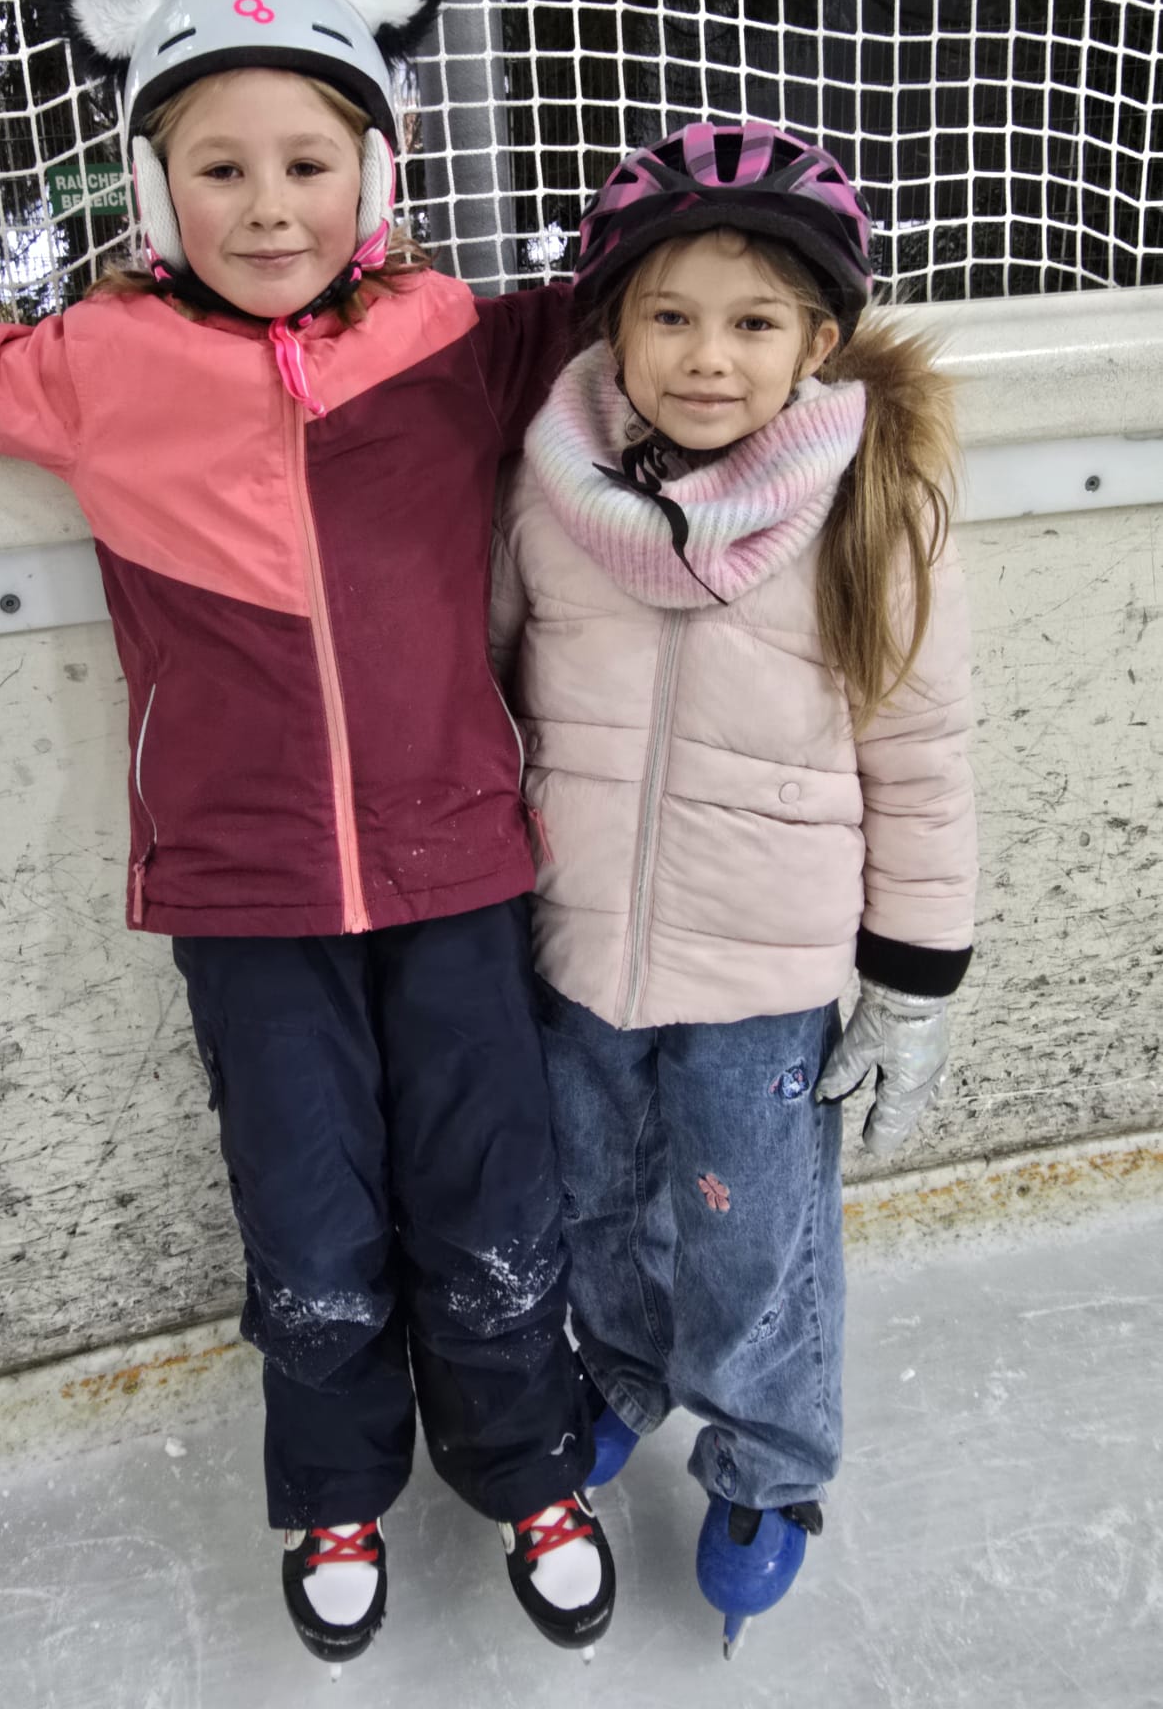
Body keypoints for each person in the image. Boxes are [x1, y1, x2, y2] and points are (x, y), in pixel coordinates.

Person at [0, 0, 614, 1665]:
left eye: (309, 163)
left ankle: (530, 1469)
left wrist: (748, 261)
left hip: (461, 863)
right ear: (154, 190)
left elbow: (621, 316)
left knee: (493, 1187)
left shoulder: (448, 341)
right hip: (245, 888)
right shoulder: (98, 365)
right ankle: (334, 1489)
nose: (269, 206)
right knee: (308, 1209)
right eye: (220, 168)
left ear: (374, 173)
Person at [489, 120, 977, 1657]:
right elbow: (491, 691)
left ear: (817, 344)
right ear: (613, 327)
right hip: (578, 949)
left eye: (755, 322)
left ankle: (770, 1459)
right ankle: (626, 1373)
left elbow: (923, 757)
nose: (709, 357)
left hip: (763, 981)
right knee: (600, 1202)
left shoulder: (867, 508)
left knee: (754, 1237)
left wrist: (913, 977)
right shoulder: (550, 489)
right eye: (672, 316)